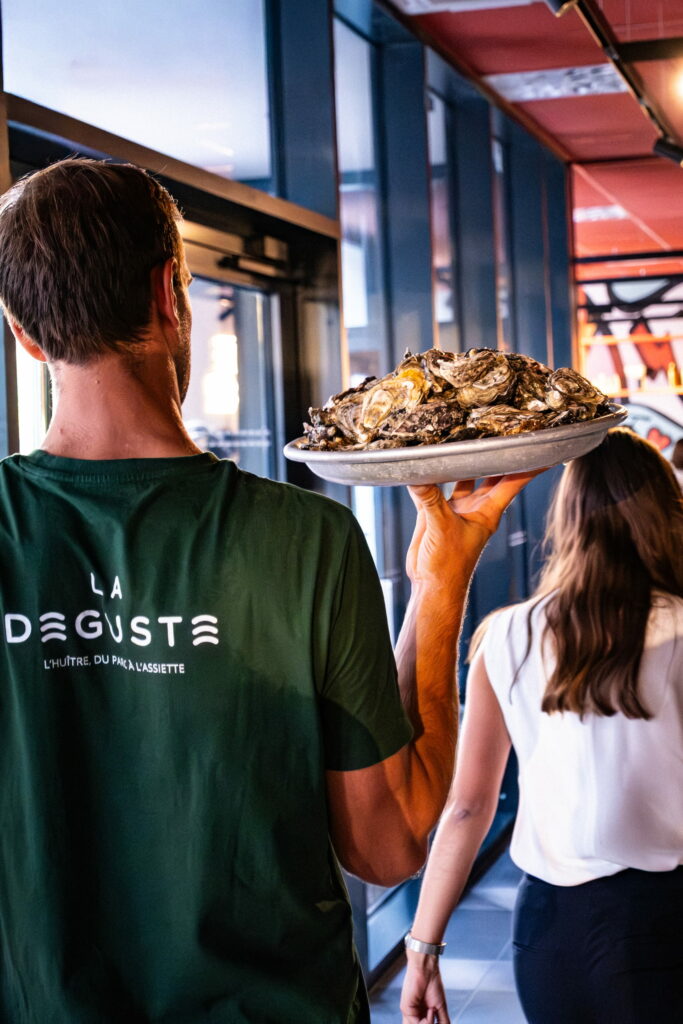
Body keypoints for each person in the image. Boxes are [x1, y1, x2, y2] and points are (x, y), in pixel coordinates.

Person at [0, 158, 535, 1023]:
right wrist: (440, 580)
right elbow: (388, 843)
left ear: (24, 333)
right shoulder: (305, 539)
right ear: (169, 294)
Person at [400, 426, 683, 1024]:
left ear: (568, 518)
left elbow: (468, 808)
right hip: (664, 916)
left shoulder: (508, 634)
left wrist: (423, 948)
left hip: (549, 928)